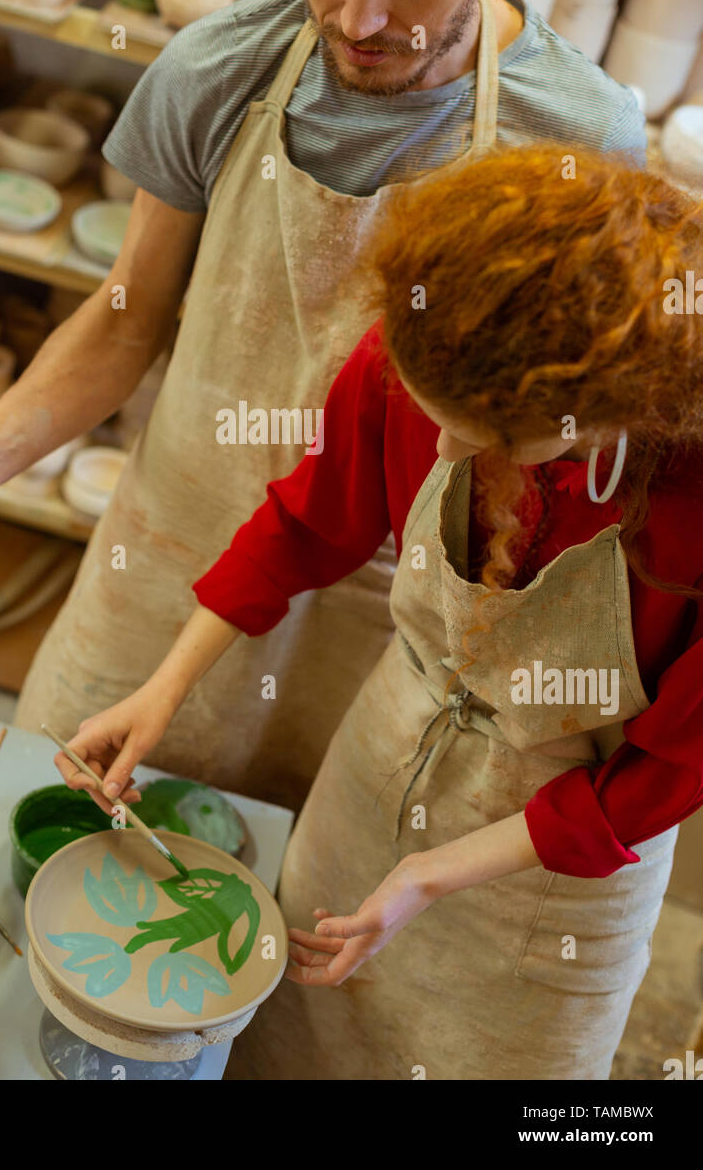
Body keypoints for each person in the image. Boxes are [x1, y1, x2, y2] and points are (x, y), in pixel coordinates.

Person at [0, 0, 645, 811]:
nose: (361, 17)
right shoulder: (215, 69)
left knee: (303, 896)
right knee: (53, 826)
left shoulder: (578, 141)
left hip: (390, 602)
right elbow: (130, 317)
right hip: (179, 548)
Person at [55, 146, 703, 1079]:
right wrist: (165, 688)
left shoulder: (686, 499)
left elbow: (665, 776)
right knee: (292, 1044)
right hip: (382, 772)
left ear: (601, 417)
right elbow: (306, 524)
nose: (440, 443)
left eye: (485, 438)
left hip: (560, 864)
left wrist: (433, 873)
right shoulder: (428, 343)